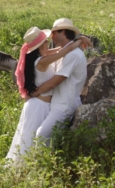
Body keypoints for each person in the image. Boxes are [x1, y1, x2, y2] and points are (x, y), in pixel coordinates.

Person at [6, 25, 91, 162]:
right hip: (39, 105)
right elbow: (64, 51)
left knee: (29, 140)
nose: (48, 42)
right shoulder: (42, 61)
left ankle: (30, 169)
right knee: (30, 141)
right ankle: (28, 170)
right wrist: (79, 41)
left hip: (41, 104)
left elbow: (60, 49)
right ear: (39, 45)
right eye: (45, 41)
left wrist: (79, 39)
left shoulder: (39, 57)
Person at [32, 18, 88, 146]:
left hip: (64, 105)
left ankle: (41, 164)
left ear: (63, 32)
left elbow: (54, 82)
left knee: (42, 135)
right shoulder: (64, 51)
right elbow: (43, 52)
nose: (51, 37)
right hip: (57, 103)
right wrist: (80, 40)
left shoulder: (72, 55)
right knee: (48, 138)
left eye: (54, 33)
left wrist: (34, 93)